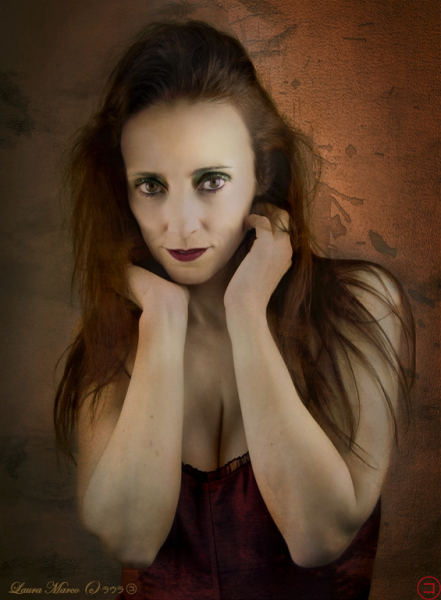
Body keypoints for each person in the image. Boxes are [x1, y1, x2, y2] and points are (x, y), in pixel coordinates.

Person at [54, 20, 415, 600]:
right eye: (151, 185)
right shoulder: (120, 329)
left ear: (261, 173)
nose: (180, 225)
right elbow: (131, 540)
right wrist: (162, 321)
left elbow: (317, 537)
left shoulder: (360, 304)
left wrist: (246, 309)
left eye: (212, 180)